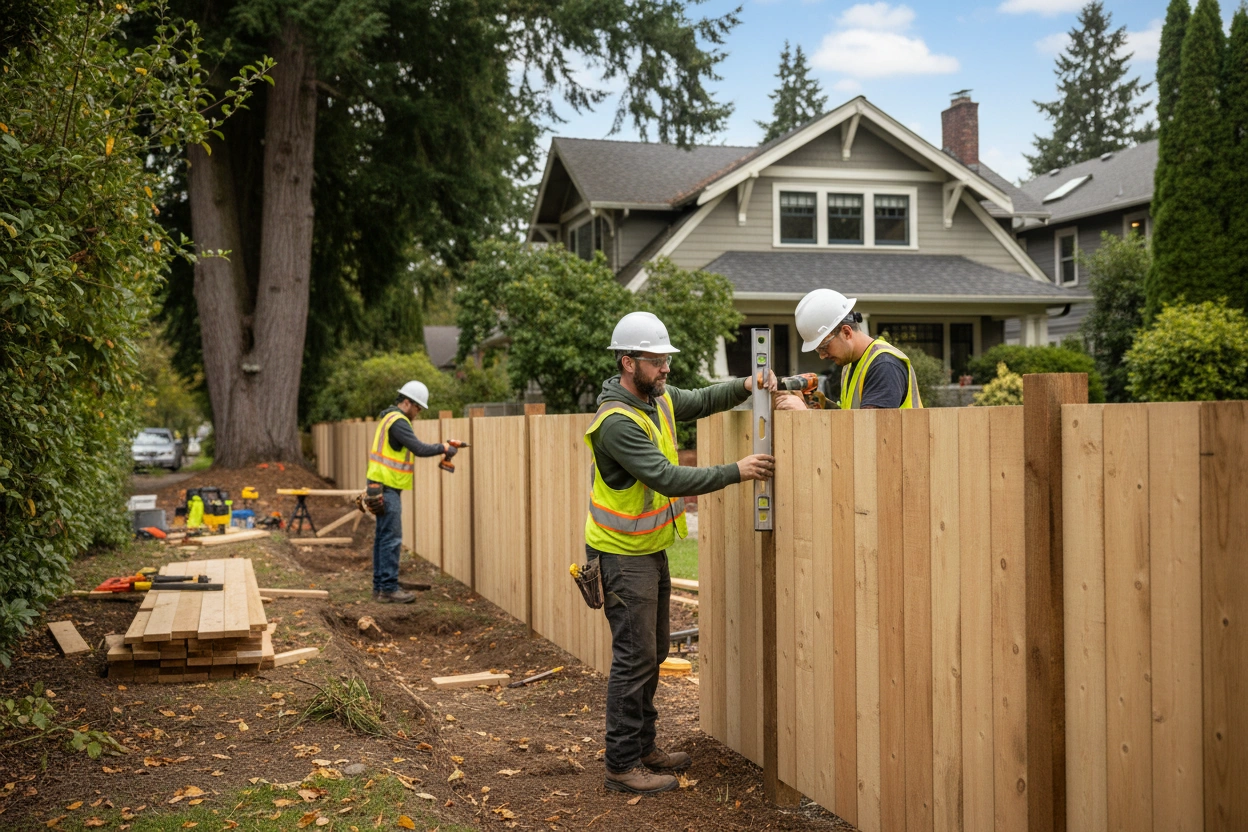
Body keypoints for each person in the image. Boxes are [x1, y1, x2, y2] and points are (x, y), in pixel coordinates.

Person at [585, 311, 777, 796]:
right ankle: (621, 764)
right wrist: (738, 470)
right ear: (629, 363)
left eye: (667, 359)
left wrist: (746, 383)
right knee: (634, 658)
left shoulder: (657, 399)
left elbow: (704, 398)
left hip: (647, 550)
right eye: (658, 360)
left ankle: (644, 747)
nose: (667, 368)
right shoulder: (616, 423)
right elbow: (668, 478)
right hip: (621, 556)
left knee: (655, 650)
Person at [366, 381, 461, 603]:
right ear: (406, 402)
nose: (418, 412)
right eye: (417, 407)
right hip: (386, 487)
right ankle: (388, 588)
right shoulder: (399, 422)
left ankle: (380, 587)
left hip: (380, 485)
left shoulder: (388, 418)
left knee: (383, 537)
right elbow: (418, 449)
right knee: (391, 538)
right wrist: (444, 448)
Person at [783, 288, 923, 410]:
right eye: (818, 350)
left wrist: (805, 414)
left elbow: (870, 431)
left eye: (824, 347)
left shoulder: (884, 366)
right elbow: (851, 422)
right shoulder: (850, 365)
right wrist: (817, 404)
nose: (822, 355)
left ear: (846, 332)